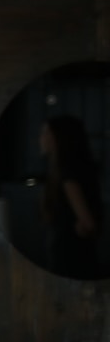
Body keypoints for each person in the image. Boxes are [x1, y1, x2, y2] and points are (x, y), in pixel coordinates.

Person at [39, 114, 103, 279]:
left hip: (70, 256)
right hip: (74, 254)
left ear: (58, 138)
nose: (41, 138)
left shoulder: (68, 173)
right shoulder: (72, 170)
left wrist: (83, 228)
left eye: (46, 133)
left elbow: (87, 222)